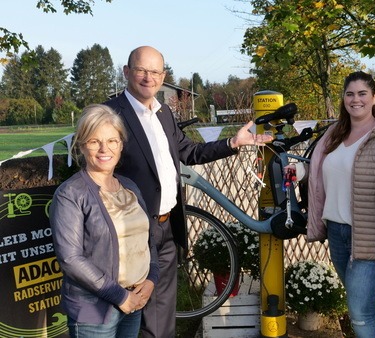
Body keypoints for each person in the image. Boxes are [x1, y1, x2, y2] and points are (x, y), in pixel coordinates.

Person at [104, 45, 272, 338]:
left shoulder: (164, 112)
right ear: (127, 72)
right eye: (141, 70)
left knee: (163, 309)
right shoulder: (111, 114)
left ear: (163, 75)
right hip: (131, 230)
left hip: (168, 226)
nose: (148, 77)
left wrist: (233, 143)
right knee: (133, 311)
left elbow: (189, 151)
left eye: (155, 72)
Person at [303, 71, 375, 338]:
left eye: (362, 93)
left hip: (372, 239)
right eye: (350, 94)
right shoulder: (335, 133)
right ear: (343, 98)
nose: (356, 100)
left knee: (360, 313)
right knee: (360, 311)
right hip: (338, 234)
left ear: (374, 97)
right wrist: (299, 171)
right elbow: (321, 174)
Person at [50, 104, 159, 338]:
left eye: (112, 141)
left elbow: (147, 239)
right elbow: (70, 258)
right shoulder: (70, 194)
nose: (104, 149)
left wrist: (151, 278)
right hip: (94, 310)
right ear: (81, 145)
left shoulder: (129, 187)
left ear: (120, 145)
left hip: (133, 302)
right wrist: (120, 296)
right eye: (94, 141)